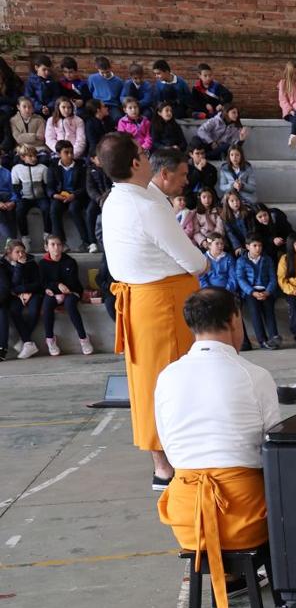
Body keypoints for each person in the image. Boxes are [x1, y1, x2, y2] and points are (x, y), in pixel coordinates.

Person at [155, 286, 283, 608]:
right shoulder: (254, 375)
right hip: (245, 517)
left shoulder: (167, 377)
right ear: (234, 320)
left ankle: (229, 575)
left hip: (188, 518)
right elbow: (273, 446)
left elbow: (169, 447)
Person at [98, 132, 207, 488]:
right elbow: (194, 260)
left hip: (142, 300)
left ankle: (163, 463)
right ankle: (171, 463)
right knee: (172, 382)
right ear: (134, 163)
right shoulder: (143, 206)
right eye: (143, 153)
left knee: (148, 383)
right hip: (162, 301)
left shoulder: (116, 199)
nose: (147, 156)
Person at [37, 233, 92, 354]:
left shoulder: (70, 261)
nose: (56, 247)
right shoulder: (43, 263)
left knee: (70, 304)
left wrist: (59, 289)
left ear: (62, 247)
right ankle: (50, 339)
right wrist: (56, 286)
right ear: (47, 247)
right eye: (52, 244)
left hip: (72, 291)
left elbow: (71, 282)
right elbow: (43, 282)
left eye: (59, 244)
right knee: (47, 304)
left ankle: (83, 338)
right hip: (53, 293)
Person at [235, 236, 280, 349]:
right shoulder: (241, 261)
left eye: (260, 246)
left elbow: (273, 278)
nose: (258, 248)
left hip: (266, 291)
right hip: (251, 292)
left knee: (269, 311)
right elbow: (240, 279)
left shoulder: (267, 259)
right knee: (255, 312)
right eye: (254, 246)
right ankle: (262, 341)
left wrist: (268, 292)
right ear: (247, 247)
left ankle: (274, 337)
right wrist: (252, 292)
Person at [48, 140, 88, 248]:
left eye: (71, 152)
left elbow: (84, 187)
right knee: (54, 209)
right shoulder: (53, 167)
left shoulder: (81, 166)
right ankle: (61, 242)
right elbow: (50, 187)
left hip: (76, 196)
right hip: (60, 196)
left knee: (74, 209)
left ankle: (86, 241)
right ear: (58, 154)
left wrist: (74, 195)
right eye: (66, 152)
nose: (70, 155)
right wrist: (55, 195)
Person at [6, 238, 42, 358]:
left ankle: (24, 341)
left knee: (34, 309)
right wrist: (19, 266)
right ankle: (28, 342)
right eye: (17, 252)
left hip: (33, 293)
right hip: (16, 295)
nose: (21, 254)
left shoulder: (31, 262)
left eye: (23, 251)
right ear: (10, 254)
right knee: (14, 311)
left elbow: (38, 283)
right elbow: (11, 285)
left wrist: (28, 291)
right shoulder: (4, 265)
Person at [11, 143, 52, 239]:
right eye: (30, 156)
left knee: (47, 208)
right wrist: (19, 197)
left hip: (40, 197)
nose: (34, 158)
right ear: (22, 157)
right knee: (19, 211)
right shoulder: (16, 169)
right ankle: (25, 237)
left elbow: (46, 185)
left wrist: (46, 195)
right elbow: (16, 186)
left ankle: (47, 234)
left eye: (35, 155)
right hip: (25, 198)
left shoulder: (43, 168)